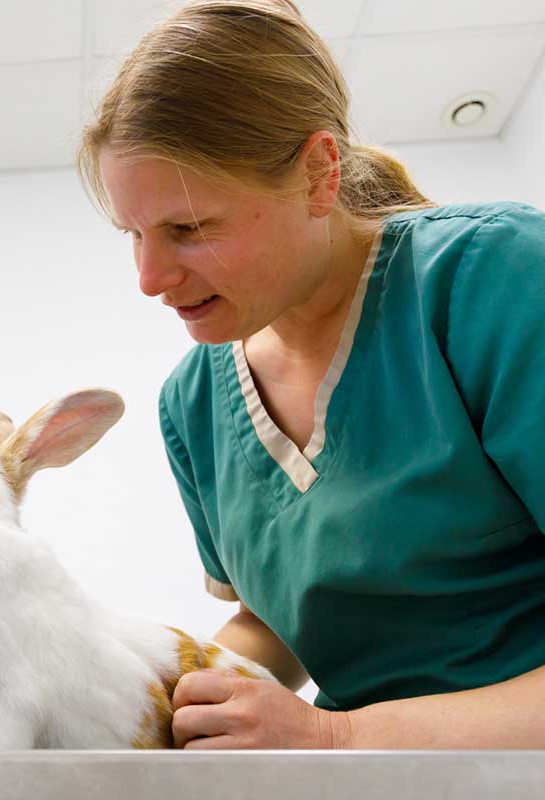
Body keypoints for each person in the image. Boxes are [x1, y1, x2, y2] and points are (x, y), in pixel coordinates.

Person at [80, 0, 545, 748]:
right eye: (132, 234)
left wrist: (338, 740)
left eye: (189, 229)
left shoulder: (490, 279)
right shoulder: (192, 404)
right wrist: (176, 691)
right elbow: (278, 618)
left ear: (320, 175)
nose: (149, 278)